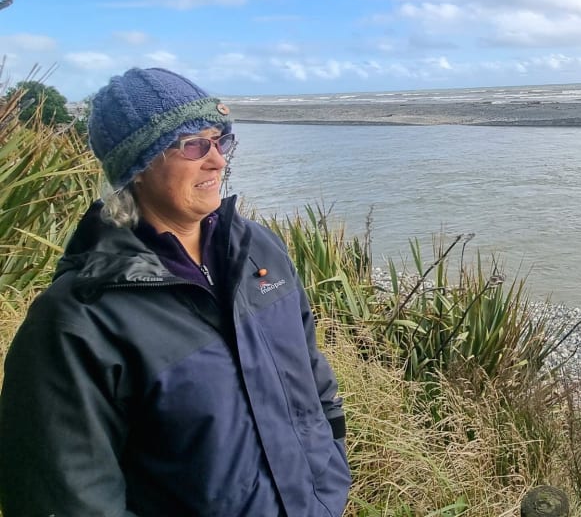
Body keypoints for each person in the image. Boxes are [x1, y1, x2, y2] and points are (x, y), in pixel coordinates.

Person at [0, 68, 352, 516]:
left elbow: (310, 370)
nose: (218, 160)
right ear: (138, 167)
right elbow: (66, 498)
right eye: (193, 145)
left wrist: (330, 475)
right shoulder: (78, 319)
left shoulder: (258, 249)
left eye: (220, 140)